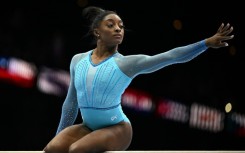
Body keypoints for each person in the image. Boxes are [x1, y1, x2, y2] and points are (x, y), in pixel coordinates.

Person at [43, 6, 234, 153]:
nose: (118, 29)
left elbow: (171, 57)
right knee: (52, 149)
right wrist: (61, 137)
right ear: (97, 32)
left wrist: (205, 44)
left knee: (77, 150)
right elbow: (70, 104)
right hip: (88, 126)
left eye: (121, 26)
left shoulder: (126, 64)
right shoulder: (78, 60)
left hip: (118, 128)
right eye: (111, 25)